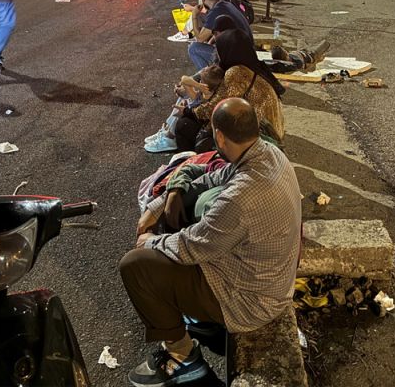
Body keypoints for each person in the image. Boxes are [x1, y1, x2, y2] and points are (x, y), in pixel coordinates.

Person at [121, 97, 301, 386]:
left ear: (218, 135)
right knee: (174, 213)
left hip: (250, 301)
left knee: (136, 266)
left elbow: (190, 248)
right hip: (266, 278)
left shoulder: (241, 197)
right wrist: (161, 203)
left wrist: (148, 242)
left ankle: (183, 358)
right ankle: (200, 320)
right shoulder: (266, 154)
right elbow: (214, 175)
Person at [188, 0, 251, 71]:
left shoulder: (216, 12)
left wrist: (194, 15)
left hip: (237, 58)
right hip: (247, 50)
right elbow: (216, 32)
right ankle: (211, 74)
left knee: (193, 48)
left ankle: (207, 79)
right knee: (208, 45)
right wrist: (209, 44)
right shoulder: (226, 4)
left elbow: (199, 39)